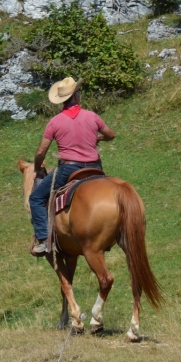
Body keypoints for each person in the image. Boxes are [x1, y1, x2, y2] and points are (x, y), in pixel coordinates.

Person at [29, 77, 116, 256]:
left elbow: (41, 152)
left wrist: (37, 168)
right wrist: (98, 138)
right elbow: (111, 134)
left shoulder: (55, 122)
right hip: (95, 168)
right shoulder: (92, 116)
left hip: (69, 169)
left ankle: (45, 240)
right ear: (76, 95)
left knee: (36, 198)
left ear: (61, 100)